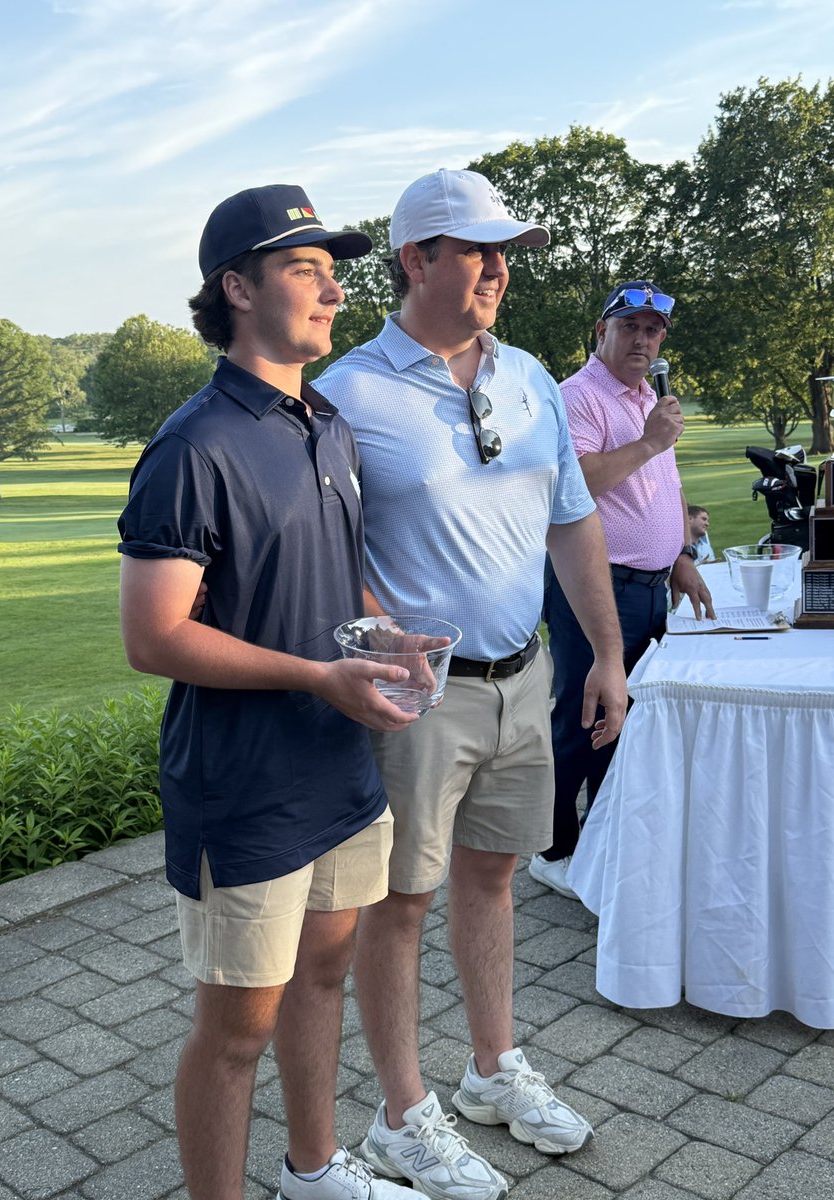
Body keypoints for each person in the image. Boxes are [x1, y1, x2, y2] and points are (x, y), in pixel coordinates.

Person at [316, 168, 629, 1200]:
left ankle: (493, 1071)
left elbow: (571, 520)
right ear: (416, 260)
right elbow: (321, 540)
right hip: (421, 696)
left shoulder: (532, 377)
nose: (498, 268)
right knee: (400, 903)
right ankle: (403, 1114)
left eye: (508, 252)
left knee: (491, 876)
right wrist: (380, 626)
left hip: (525, 676)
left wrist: (607, 654)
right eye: (478, 249)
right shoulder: (350, 392)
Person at [117, 184, 428, 1200]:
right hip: (244, 790)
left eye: (333, 269)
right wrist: (318, 678)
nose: (335, 288)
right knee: (235, 1032)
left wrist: (386, 638)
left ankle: (313, 1168)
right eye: (306, 268)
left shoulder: (325, 422)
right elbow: (153, 637)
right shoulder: (193, 444)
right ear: (238, 288)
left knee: (326, 978)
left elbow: (339, 576)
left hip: (339, 770)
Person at [528, 281, 715, 901]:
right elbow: (572, 480)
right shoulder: (576, 397)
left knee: (625, 717)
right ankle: (553, 849)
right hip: (595, 582)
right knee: (582, 717)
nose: (643, 339)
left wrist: (683, 553)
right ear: (601, 332)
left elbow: (662, 481)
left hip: (650, 584)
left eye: (653, 330)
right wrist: (648, 442)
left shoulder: (650, 400)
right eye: (630, 326)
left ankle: (604, 837)